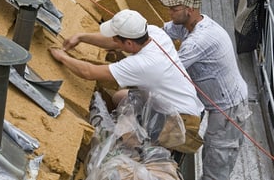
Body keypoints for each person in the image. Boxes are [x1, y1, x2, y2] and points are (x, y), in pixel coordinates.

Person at [49, 9, 204, 156]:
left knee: (126, 136)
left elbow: (89, 72)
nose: (114, 40)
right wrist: (82, 37)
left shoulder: (142, 64)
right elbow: (114, 43)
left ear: (129, 44)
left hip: (182, 123)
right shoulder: (154, 33)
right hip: (179, 104)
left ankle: (154, 151)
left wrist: (62, 57)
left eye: (117, 38)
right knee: (119, 97)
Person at [159, 0, 252, 180]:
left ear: (189, 10)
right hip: (216, 102)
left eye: (174, 9)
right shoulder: (187, 24)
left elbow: (170, 70)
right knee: (211, 154)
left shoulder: (200, 40)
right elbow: (162, 32)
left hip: (229, 110)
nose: (169, 13)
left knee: (216, 164)